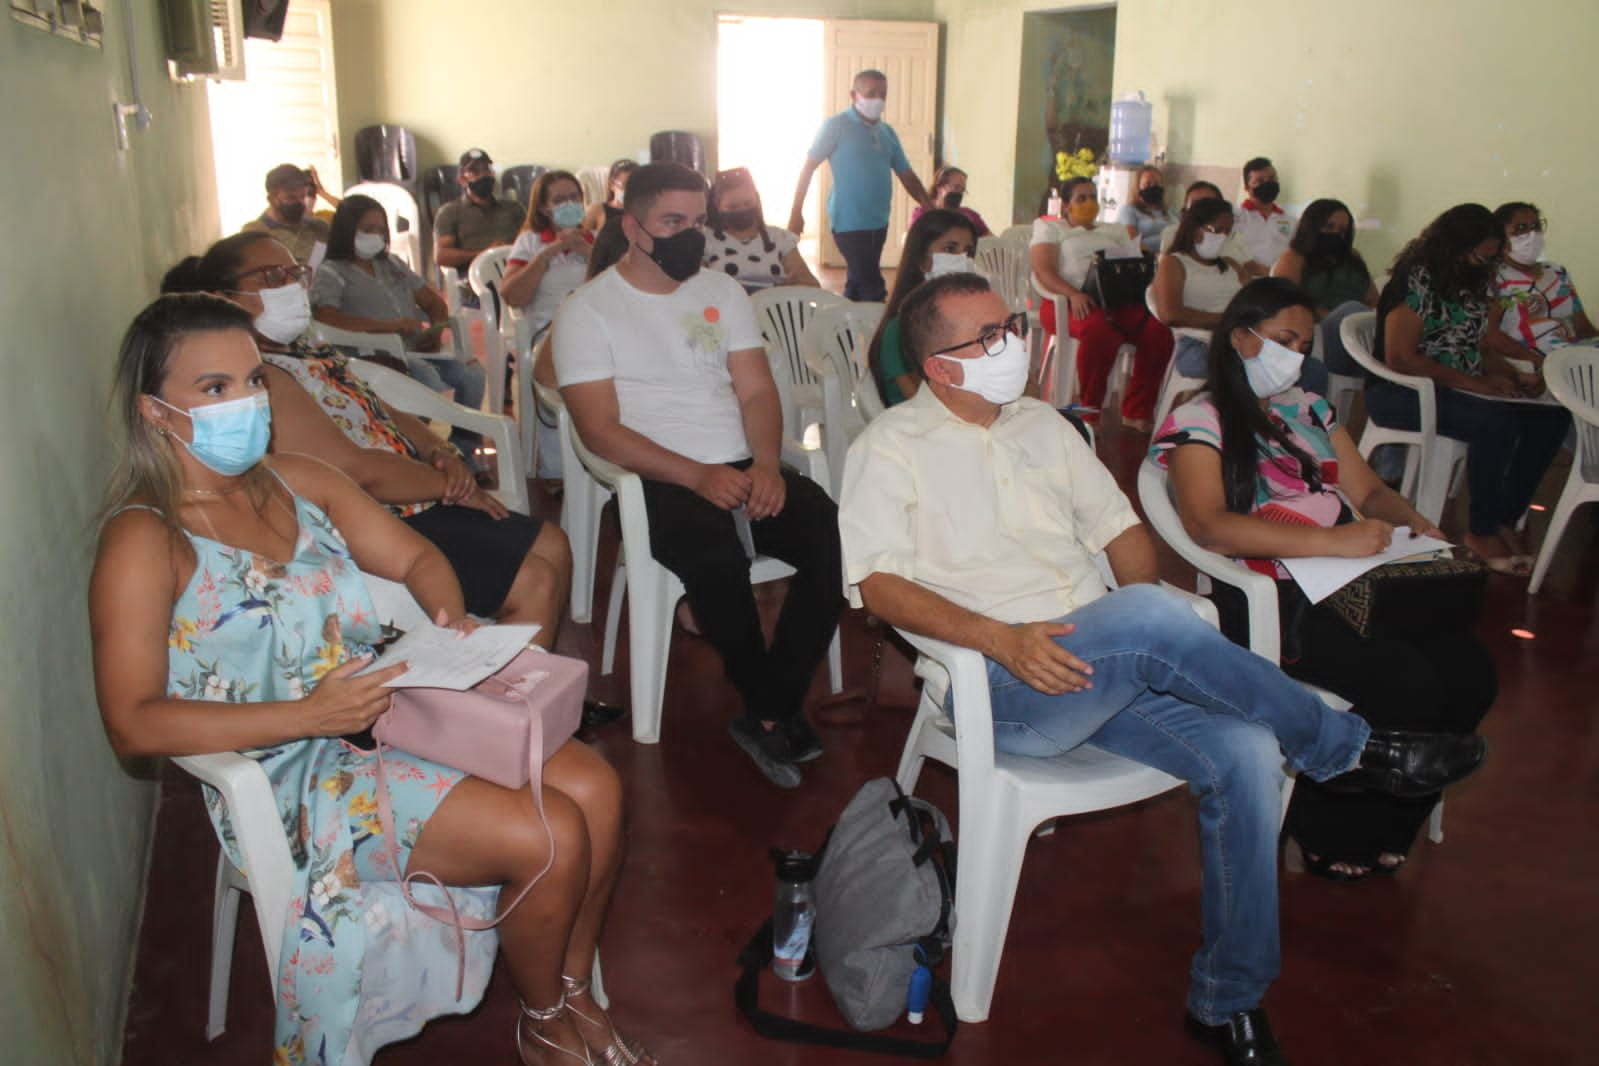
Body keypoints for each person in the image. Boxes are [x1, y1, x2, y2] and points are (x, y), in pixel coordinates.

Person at [837, 271, 1486, 1066]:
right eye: (989, 337)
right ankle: (1345, 749)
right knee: (1152, 619)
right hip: (1005, 685)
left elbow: (1120, 532)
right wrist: (1001, 640)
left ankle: (1228, 998)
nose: (1013, 345)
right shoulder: (889, 448)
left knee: (1242, 749)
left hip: (1103, 662)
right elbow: (876, 584)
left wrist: (1138, 625)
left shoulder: (1043, 425)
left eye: (1010, 326)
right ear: (941, 367)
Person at [89, 293, 654, 1066]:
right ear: (156, 412)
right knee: (545, 834)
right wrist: (307, 715)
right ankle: (546, 1021)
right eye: (214, 389)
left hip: (394, 711)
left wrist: (448, 620)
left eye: (253, 380)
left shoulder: (297, 479)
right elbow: (134, 722)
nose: (248, 402)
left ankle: (567, 990)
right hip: (292, 768)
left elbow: (419, 559)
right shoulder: (145, 537)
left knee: (597, 789)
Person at [1154, 277, 1496, 882]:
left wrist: (1420, 527)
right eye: (1283, 339)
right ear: (1240, 338)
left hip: (1353, 582)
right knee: (1406, 683)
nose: (1296, 355)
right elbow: (1208, 525)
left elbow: (1366, 491)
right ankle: (1325, 828)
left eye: (1304, 343)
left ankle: (1389, 826)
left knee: (1472, 671)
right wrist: (1328, 541)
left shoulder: (1307, 408)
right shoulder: (1199, 420)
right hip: (1273, 598)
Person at [554, 163, 844, 789]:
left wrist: (766, 465)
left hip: (740, 464)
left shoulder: (724, 292)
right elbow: (600, 430)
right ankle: (775, 712)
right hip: (656, 473)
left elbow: (758, 392)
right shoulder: (589, 310)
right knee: (715, 558)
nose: (691, 235)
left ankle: (769, 705)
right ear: (633, 227)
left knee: (830, 531)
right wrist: (696, 476)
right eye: (673, 222)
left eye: (698, 222)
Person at [162, 231, 573, 645]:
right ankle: (514, 697)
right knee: (532, 580)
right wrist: (452, 485)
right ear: (224, 297)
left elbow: (383, 410)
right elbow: (358, 473)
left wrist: (441, 450)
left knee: (552, 543)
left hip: (419, 490)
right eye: (271, 277)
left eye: (293, 274)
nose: (289, 287)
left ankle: (547, 684)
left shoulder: (306, 351)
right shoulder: (261, 377)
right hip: (379, 512)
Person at [1365, 203, 1572, 575]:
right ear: (1455, 246)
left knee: (1551, 417)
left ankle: (1505, 516)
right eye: (1479, 254)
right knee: (1497, 423)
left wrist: (1512, 376)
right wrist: (1477, 384)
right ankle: (1481, 530)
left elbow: (1477, 347)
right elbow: (1400, 358)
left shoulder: (1472, 281)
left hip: (1459, 388)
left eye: (1490, 257)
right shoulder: (1417, 279)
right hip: (1403, 392)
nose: (1483, 263)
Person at [310, 194, 488, 462]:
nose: (377, 236)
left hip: (415, 349)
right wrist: (388, 328)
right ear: (348, 230)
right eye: (368, 230)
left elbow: (431, 301)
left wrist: (435, 332)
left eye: (381, 230)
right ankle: (415, 450)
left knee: (472, 374)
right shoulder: (332, 271)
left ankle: (463, 450)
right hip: (370, 354)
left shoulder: (392, 264)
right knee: (425, 379)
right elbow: (327, 317)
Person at [1030, 176, 1173, 430]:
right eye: (1081, 198)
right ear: (1065, 205)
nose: (1089, 203)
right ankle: (1089, 413)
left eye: (1093, 197)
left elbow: (1137, 258)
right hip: (1066, 301)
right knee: (1100, 332)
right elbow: (1043, 271)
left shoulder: (1114, 231)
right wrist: (1073, 294)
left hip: (1115, 299)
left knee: (1158, 331)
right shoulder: (1051, 228)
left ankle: (1137, 410)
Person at [788, 69, 933, 301]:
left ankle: (847, 330)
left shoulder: (887, 132)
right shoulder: (836, 126)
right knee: (872, 285)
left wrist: (928, 205)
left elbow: (906, 173)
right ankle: (878, 331)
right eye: (871, 93)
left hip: (879, 220)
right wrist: (796, 212)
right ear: (854, 95)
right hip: (849, 222)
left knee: (858, 281)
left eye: (883, 94)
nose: (878, 99)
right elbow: (808, 168)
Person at [866, 208, 979, 406]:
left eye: (968, 252)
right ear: (921, 258)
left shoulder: (968, 321)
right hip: (919, 428)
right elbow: (925, 403)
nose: (962, 259)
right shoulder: (900, 328)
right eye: (950, 249)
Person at [1272, 198, 1379, 377]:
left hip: (1360, 332)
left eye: (1342, 231)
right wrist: (1328, 316)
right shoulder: (1295, 257)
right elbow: (1288, 301)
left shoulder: (1353, 258)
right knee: (1351, 311)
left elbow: (1374, 300)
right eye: (1329, 226)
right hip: (1320, 331)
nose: (1335, 234)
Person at [1154, 197, 1249, 380]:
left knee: (1307, 367)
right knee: (1253, 367)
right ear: (1194, 228)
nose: (1222, 238)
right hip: (1198, 344)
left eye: (1227, 232)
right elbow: (1169, 314)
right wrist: (1226, 321)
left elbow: (1252, 300)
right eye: (1216, 230)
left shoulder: (1232, 265)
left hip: (1238, 340)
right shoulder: (1175, 263)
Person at [1488, 201, 1596, 358]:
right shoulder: (1495, 280)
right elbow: (1491, 338)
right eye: (1520, 229)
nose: (1532, 235)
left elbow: (1583, 328)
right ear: (1501, 237)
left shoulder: (1556, 273)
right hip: (1527, 367)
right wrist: (1536, 363)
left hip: (1571, 363)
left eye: (1536, 226)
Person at [500, 170, 595, 341]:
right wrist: (551, 251)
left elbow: (622, 286)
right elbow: (512, 296)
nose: (569, 203)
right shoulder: (530, 241)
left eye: (575, 197)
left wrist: (590, 252)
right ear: (544, 208)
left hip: (593, 328)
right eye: (559, 200)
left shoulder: (596, 239)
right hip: (548, 333)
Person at [703, 166, 820, 293]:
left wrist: (791, 286)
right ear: (718, 206)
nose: (742, 210)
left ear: (757, 201)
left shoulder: (779, 238)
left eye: (748, 203)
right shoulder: (706, 239)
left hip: (773, 306)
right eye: (732, 207)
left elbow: (811, 284)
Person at [433, 149, 524, 276]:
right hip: (476, 275)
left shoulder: (513, 208)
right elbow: (442, 256)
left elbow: (529, 241)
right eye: (475, 172)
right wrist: (485, 254)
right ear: (462, 180)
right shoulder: (449, 212)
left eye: (486, 170)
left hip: (514, 270)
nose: (483, 176)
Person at [240, 163, 331, 265]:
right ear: (272, 199)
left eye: (302, 196)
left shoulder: (320, 228)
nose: (299, 202)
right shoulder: (254, 234)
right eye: (291, 198)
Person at [1234, 157, 1295, 269]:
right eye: (1260, 181)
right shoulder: (1235, 216)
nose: (1268, 183)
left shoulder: (1291, 221)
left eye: (1272, 179)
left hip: (1279, 281)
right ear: (1247, 187)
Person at [912, 165, 992, 238]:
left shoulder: (970, 215)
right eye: (956, 187)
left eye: (962, 190)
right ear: (940, 187)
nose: (959, 193)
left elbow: (991, 240)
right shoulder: (923, 213)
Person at [1116, 164, 1173, 254]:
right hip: (1146, 260)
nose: (1153, 187)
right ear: (1138, 187)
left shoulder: (1172, 212)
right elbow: (1131, 241)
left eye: (1157, 184)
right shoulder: (1128, 210)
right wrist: (1157, 257)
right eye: (1148, 184)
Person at [583, 159, 637, 233]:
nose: (631, 189)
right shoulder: (596, 211)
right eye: (626, 184)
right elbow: (578, 239)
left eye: (636, 184)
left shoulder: (646, 213)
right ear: (612, 184)